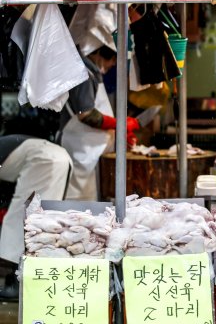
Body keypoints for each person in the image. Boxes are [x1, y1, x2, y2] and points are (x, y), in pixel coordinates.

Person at [57, 45, 140, 201]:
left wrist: (118, 134)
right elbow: (86, 115)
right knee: (76, 207)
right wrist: (119, 124)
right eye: (113, 59)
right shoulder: (83, 73)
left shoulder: (93, 74)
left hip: (91, 155)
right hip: (79, 152)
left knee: (90, 205)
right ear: (99, 53)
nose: (113, 64)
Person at [0, 135, 72, 299]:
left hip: (45, 160)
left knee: (24, 219)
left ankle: (20, 283)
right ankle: (28, 280)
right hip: (58, 158)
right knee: (43, 222)